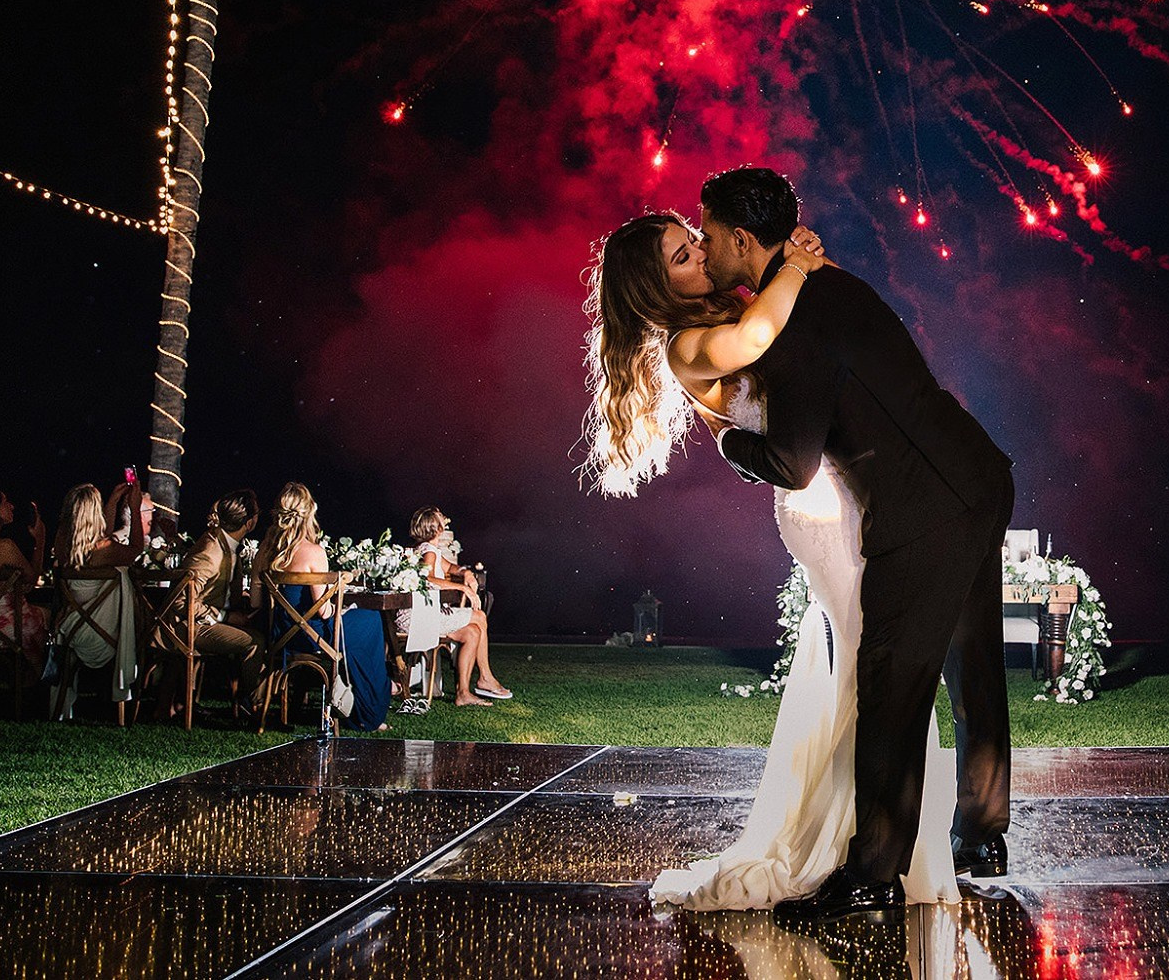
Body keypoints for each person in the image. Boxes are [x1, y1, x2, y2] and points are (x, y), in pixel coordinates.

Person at [585, 200, 963, 917]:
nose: (700, 251)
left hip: (840, 496)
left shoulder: (733, 307)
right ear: (654, 287)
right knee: (879, 664)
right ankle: (877, 850)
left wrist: (807, 263)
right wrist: (789, 263)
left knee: (873, 665)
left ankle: (873, 841)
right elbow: (761, 332)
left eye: (694, 241)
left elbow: (816, 324)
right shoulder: (688, 347)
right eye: (681, 254)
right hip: (819, 512)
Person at [692, 165, 1015, 922]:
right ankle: (984, 834)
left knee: (889, 679)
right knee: (974, 669)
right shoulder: (832, 282)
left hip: (922, 508)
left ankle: (872, 871)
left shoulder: (795, 324)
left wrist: (729, 442)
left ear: (744, 240)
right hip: (977, 472)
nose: (704, 251)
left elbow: (790, 462)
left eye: (708, 238)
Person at [258, 482, 390, 733]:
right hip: (313, 635)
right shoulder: (314, 552)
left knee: (359, 626)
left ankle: (351, 699)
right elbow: (324, 611)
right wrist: (341, 609)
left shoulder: (265, 550)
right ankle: (366, 712)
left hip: (280, 636)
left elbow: (256, 601)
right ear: (309, 513)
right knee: (370, 621)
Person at [150, 489, 264, 719]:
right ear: (250, 523)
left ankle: (247, 703)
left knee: (263, 630)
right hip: (187, 626)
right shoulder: (211, 552)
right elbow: (182, 601)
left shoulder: (226, 544)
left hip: (201, 620)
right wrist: (226, 617)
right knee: (255, 642)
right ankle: (247, 705)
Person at [399, 506, 511, 706]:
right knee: (479, 617)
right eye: (442, 519)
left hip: (427, 614)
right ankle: (485, 677)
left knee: (473, 632)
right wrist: (463, 589)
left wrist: (465, 573)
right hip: (418, 619)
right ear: (437, 529)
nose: (445, 520)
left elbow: (450, 567)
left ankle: (463, 693)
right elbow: (428, 579)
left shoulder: (429, 550)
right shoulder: (428, 552)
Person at [50, 482, 142, 719]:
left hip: (70, 631)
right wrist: (133, 507)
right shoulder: (105, 549)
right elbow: (136, 549)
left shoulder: (62, 545)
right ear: (94, 513)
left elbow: (94, 540)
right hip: (103, 636)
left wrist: (112, 503)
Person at [0, 490, 48, 654]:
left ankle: (34, 673)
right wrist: (40, 540)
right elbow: (33, 578)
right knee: (58, 619)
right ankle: (46, 675)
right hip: (6, 625)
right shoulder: (1, 547)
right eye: (5, 502)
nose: (11, 506)